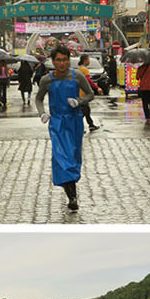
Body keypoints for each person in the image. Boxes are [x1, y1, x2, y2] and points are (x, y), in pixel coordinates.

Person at [35, 44, 96, 212]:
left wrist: (79, 101)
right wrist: (42, 113)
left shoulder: (77, 76)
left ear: (69, 60)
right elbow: (38, 99)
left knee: (73, 158)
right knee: (61, 157)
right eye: (58, 60)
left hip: (74, 122)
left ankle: (70, 188)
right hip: (57, 124)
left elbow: (91, 94)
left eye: (65, 60)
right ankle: (72, 197)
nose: (62, 63)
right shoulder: (46, 80)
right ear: (53, 61)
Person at [78, 54, 100, 131]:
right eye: (88, 60)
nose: (89, 61)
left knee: (86, 111)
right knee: (84, 111)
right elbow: (88, 81)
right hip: (83, 94)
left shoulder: (79, 69)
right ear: (85, 60)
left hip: (79, 92)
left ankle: (91, 124)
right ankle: (78, 127)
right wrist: (97, 88)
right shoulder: (85, 70)